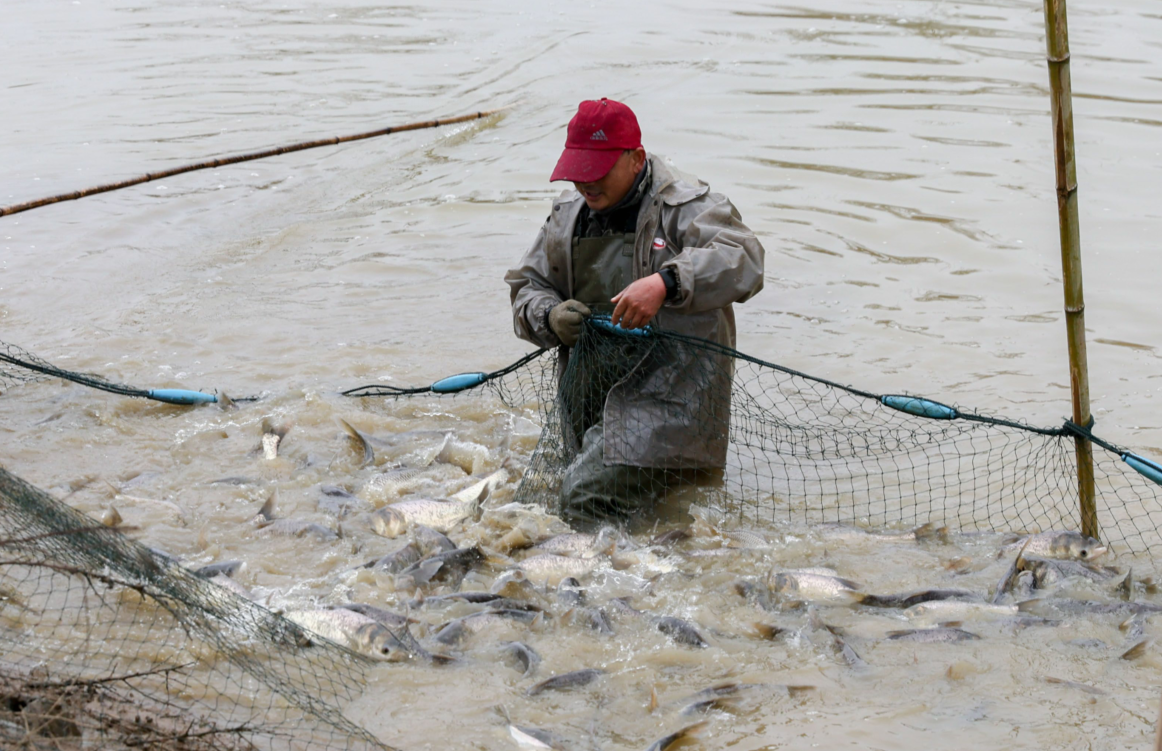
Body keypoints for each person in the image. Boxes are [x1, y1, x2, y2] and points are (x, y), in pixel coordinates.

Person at [505, 98, 765, 527]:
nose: (585, 184)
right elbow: (526, 289)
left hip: (672, 403)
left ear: (636, 159)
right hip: (589, 404)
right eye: (578, 171)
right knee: (554, 506)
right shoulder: (566, 217)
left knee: (582, 497)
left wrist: (667, 283)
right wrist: (549, 316)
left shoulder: (688, 208)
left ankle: (617, 583)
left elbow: (746, 260)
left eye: (598, 172)